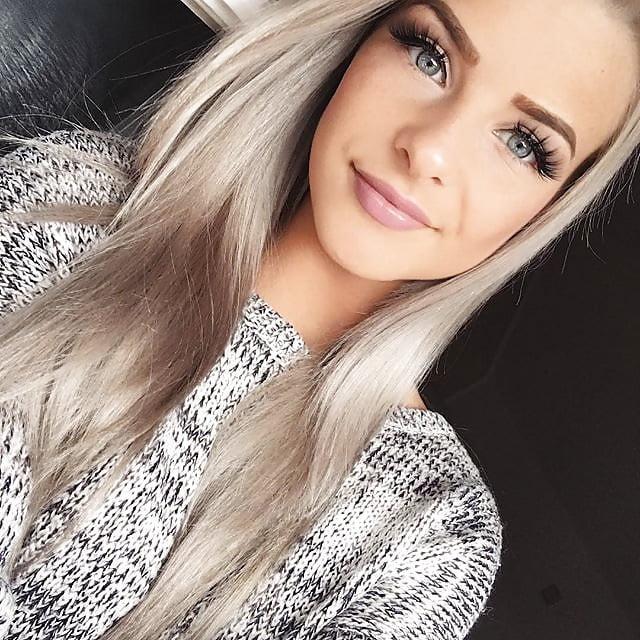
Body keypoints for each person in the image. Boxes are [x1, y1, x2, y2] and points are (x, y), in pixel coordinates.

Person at [0, 0, 637, 638]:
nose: (430, 150)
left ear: (549, 211)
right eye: (429, 55)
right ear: (362, 37)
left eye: (523, 145)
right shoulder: (69, 204)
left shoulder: (431, 530)